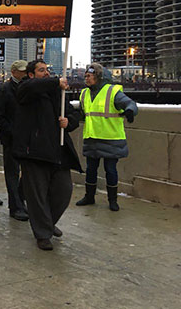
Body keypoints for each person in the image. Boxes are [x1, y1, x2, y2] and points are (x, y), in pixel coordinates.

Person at [12, 60, 81, 251]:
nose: (46, 73)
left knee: (63, 191)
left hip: (58, 151)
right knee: (37, 196)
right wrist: (55, 82)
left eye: (47, 70)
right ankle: (42, 234)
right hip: (34, 151)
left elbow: (73, 115)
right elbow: (31, 88)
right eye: (41, 71)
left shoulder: (58, 93)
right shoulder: (26, 90)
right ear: (31, 75)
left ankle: (48, 223)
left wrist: (69, 122)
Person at [76, 63, 138, 211]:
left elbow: (130, 104)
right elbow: (83, 114)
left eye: (90, 76)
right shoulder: (84, 93)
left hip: (111, 138)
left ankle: (113, 201)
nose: (87, 78)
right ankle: (89, 197)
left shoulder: (112, 91)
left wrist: (130, 111)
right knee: (91, 169)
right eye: (86, 76)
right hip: (92, 137)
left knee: (110, 170)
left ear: (99, 77)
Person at [0, 60, 29, 221]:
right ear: (13, 72)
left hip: (27, 138)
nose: (25, 73)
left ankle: (20, 201)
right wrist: (12, 131)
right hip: (12, 139)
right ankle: (16, 206)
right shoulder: (5, 90)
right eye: (22, 71)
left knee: (28, 173)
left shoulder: (29, 86)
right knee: (12, 173)